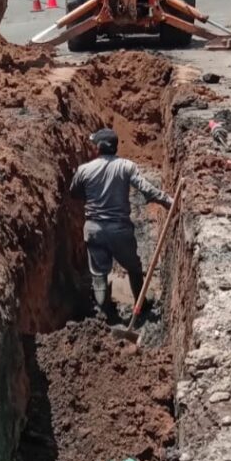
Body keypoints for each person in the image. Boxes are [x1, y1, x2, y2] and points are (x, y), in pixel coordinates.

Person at [69, 128, 173, 323]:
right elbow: (146, 189)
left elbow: (74, 192)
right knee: (133, 268)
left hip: (94, 229)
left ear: (99, 147)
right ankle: (140, 306)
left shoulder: (84, 169)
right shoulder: (126, 166)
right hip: (120, 230)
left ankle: (105, 314)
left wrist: (92, 196)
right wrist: (167, 201)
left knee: (99, 273)